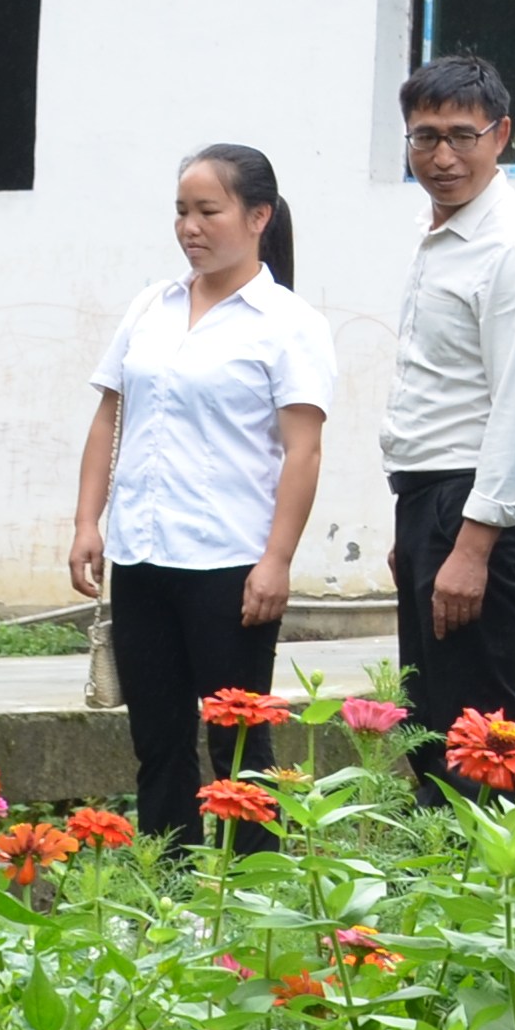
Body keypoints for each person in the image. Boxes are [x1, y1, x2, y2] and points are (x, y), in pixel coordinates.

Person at [71, 145, 336, 834]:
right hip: (142, 554)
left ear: (257, 216)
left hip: (230, 566)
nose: (190, 226)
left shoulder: (288, 324)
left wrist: (276, 560)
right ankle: (170, 891)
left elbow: (302, 451)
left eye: (207, 211)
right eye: (182, 212)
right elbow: (109, 417)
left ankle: (254, 895)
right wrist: (86, 522)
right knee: (156, 742)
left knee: (240, 748)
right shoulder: (150, 307)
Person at [380, 53, 515, 786]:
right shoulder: (444, 235)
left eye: (462, 135)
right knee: (430, 726)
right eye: (425, 137)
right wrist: (415, 532)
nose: (443, 156)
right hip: (431, 499)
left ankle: (493, 888)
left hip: (473, 503)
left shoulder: (511, 249)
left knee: (481, 735)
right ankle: (440, 883)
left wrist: (471, 546)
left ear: (501, 135)